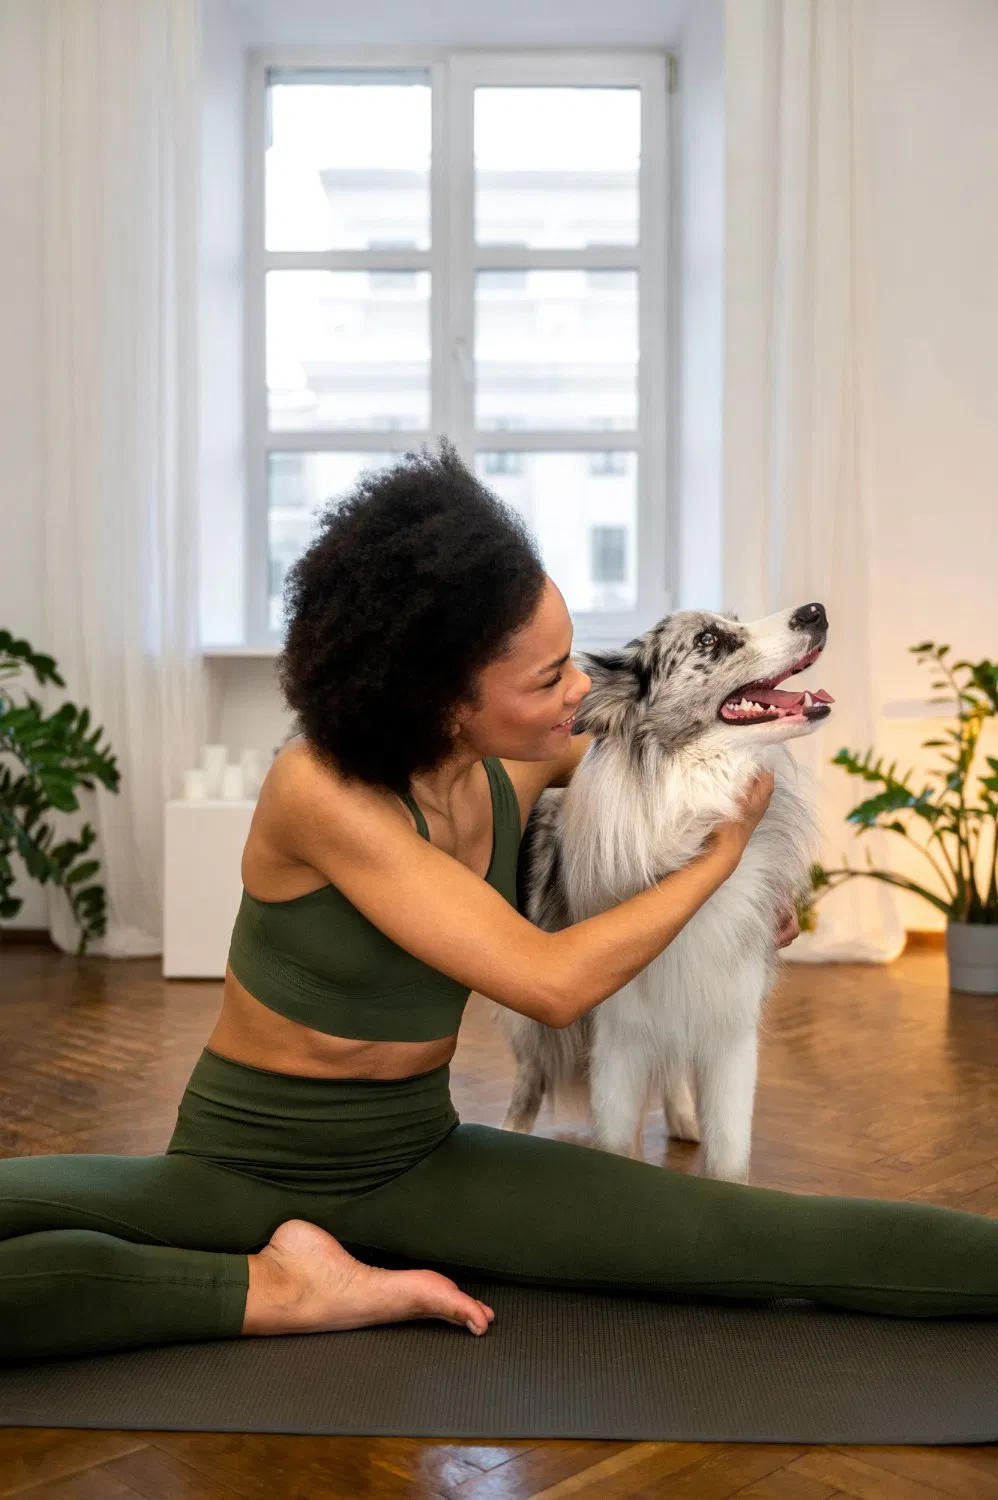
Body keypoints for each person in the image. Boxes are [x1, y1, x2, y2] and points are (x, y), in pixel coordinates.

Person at [3, 443, 998, 1364]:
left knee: (759, 1237)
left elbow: (669, 766)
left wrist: (763, 885)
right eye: (546, 675)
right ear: (442, 698)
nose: (578, 690)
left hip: (419, 1159)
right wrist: (717, 859)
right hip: (240, 1173)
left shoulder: (516, 757)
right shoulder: (319, 791)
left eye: (572, 657)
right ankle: (277, 1288)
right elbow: (549, 983)